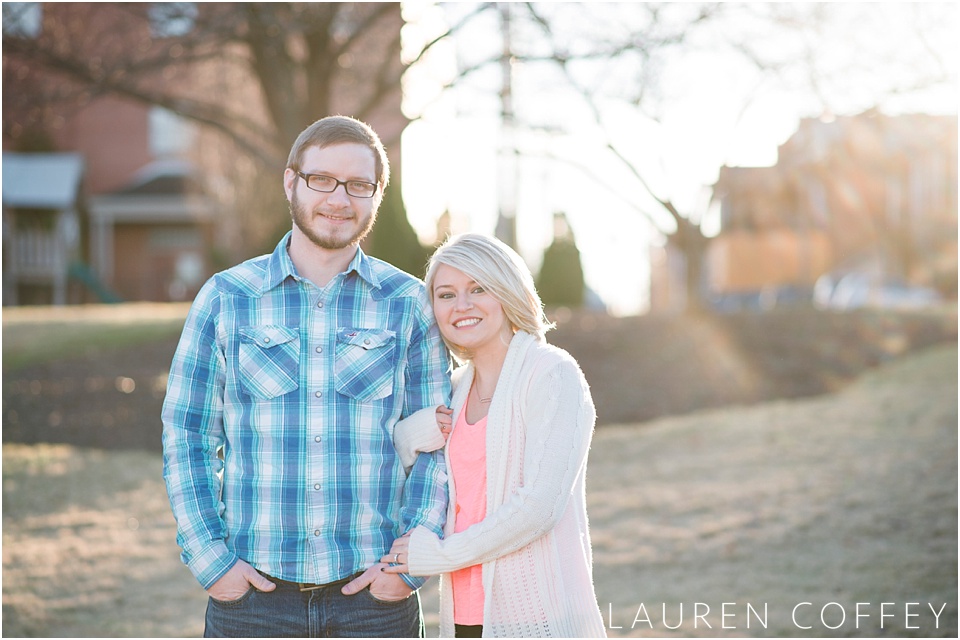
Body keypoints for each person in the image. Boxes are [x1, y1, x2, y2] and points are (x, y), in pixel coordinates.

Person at [161, 115, 451, 638]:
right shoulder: (226, 298)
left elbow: (438, 439)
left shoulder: (408, 304)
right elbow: (188, 435)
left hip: (374, 602)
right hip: (251, 601)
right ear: (291, 181)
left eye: (359, 185)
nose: (339, 198)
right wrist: (211, 561)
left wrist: (412, 562)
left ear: (376, 195)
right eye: (323, 179)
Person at [343, 233, 606, 638]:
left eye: (477, 288)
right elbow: (395, 469)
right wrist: (410, 435)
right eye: (446, 295)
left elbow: (539, 507)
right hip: (465, 618)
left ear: (506, 290)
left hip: (536, 618)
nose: (461, 306)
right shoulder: (456, 389)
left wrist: (439, 555)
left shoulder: (551, 374)